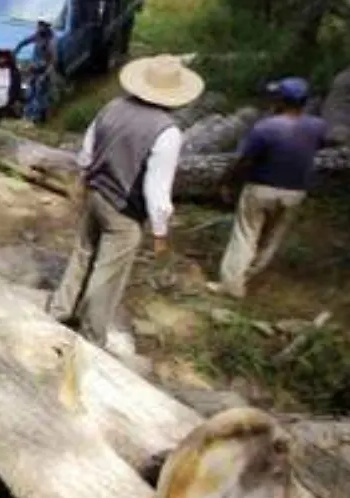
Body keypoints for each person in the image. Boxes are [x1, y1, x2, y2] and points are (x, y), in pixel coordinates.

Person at [47, 55, 204, 353]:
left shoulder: (112, 107)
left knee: (82, 254)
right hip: (125, 212)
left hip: (96, 194)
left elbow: (86, 153)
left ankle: (59, 310)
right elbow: (156, 191)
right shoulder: (167, 132)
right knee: (108, 275)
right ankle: (91, 338)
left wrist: (85, 180)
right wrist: (160, 232)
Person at [211, 77, 327, 298]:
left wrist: (227, 182)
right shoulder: (317, 126)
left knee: (245, 235)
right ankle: (249, 276)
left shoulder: (265, 128)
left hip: (260, 188)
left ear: (281, 101)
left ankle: (231, 285)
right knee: (271, 238)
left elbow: (244, 160)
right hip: (295, 191)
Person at [24, 21, 58, 123]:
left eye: (41, 26)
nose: (38, 28)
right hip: (34, 69)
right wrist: (16, 49)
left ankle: (39, 117)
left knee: (40, 94)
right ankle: (29, 116)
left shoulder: (51, 42)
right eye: (38, 26)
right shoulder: (37, 36)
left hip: (43, 71)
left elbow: (53, 61)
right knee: (30, 92)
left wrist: (45, 74)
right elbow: (25, 41)